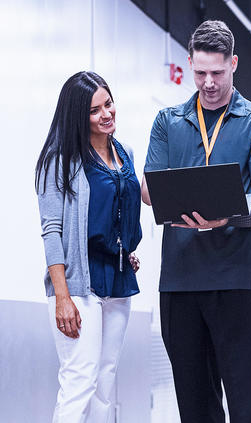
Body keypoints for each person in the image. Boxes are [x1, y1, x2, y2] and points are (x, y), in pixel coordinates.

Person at [141, 20, 251, 423]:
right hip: (179, 283)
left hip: (236, 281)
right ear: (188, 63)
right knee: (194, 400)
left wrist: (228, 214)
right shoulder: (168, 121)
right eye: (200, 72)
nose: (208, 83)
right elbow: (152, 191)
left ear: (234, 64)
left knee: (246, 398)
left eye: (217, 73)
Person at [35, 71, 142, 422]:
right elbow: (52, 230)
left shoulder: (122, 152)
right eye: (95, 110)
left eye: (108, 103)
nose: (106, 114)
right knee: (79, 379)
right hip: (79, 284)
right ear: (78, 116)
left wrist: (125, 248)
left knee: (105, 382)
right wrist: (62, 297)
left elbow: (119, 211)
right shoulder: (60, 159)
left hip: (117, 278)